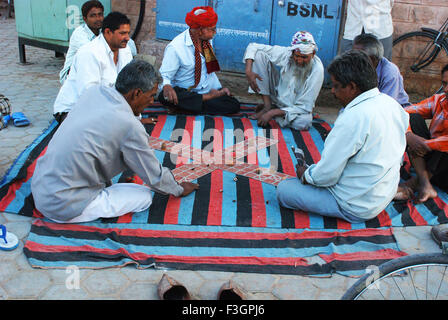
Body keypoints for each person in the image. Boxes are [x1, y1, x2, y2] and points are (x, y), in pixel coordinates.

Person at [31, 60, 199, 223]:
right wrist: (178, 189)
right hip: (61, 206)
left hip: (41, 187)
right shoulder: (129, 124)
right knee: (144, 197)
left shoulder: (95, 92)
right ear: (136, 93)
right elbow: (154, 176)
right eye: (151, 96)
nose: (151, 101)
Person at [276, 50, 409, 223]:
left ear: (352, 87)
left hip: (355, 206)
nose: (332, 91)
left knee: (284, 190)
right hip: (383, 192)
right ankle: (387, 194)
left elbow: (326, 176)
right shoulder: (393, 105)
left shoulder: (352, 117)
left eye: (336, 86)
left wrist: (305, 175)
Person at [53, 11, 133, 123]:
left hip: (108, 107)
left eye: (128, 33)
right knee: (107, 132)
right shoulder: (89, 53)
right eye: (122, 33)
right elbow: (89, 96)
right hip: (75, 110)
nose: (127, 38)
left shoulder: (125, 50)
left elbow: (127, 84)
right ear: (108, 32)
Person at [158, 6, 240, 115]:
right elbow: (165, 76)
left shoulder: (207, 42)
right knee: (165, 97)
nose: (215, 32)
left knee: (233, 105)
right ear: (201, 30)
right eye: (212, 29)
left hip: (203, 92)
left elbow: (208, 72)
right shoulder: (176, 47)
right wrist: (167, 86)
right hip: (185, 92)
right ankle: (196, 102)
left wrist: (219, 89)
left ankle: (186, 107)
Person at [243, 31, 324, 130]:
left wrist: (273, 113)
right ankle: (267, 106)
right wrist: (248, 71)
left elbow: (305, 106)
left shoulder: (317, 69)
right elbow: (253, 46)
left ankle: (276, 111)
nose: (299, 60)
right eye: (297, 56)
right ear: (293, 52)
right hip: (278, 95)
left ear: (313, 54)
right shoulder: (287, 53)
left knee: (304, 122)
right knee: (259, 55)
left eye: (304, 57)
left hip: (295, 108)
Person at [395, 64, 448, 204]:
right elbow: (403, 113)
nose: (446, 89)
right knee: (412, 119)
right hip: (431, 162)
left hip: (445, 172)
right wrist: (409, 136)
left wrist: (424, 144)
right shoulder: (439, 100)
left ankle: (416, 182)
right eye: (444, 83)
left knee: (443, 145)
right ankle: (425, 182)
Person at [59, 1, 138, 84]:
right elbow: (93, 54)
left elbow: (132, 49)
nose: (98, 19)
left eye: (100, 15)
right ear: (85, 19)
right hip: (72, 74)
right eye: (93, 16)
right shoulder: (79, 34)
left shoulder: (104, 30)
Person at [352, 33, 410, 107]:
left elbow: (386, 105)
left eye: (359, 57)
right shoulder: (355, 67)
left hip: (393, 110)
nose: (354, 60)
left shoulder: (390, 72)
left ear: (373, 58)